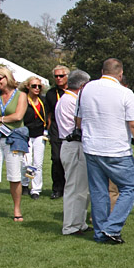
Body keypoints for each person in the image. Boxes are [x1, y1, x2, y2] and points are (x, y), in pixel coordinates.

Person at [76, 58, 134, 243]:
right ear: (120, 73)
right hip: (116, 149)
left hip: (92, 147)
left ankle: (100, 232)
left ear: (102, 71)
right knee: (131, 187)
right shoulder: (125, 92)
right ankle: (112, 227)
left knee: (98, 189)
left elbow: (79, 119)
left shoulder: (87, 89)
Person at [56, 69, 91, 235]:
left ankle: (79, 221)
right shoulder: (71, 101)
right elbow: (79, 124)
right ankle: (71, 225)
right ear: (83, 85)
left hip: (72, 145)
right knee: (75, 187)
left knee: (81, 187)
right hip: (74, 145)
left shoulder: (67, 99)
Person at [0, 64, 29, 221]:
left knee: (14, 175)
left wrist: (1, 119)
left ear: (7, 78)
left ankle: (17, 209)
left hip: (13, 138)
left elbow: (18, 116)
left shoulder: (21, 95)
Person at [20, 76, 48, 199]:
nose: (37, 88)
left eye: (39, 86)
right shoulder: (23, 100)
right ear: (28, 87)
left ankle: (36, 189)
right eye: (34, 86)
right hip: (26, 134)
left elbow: (49, 116)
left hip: (40, 134)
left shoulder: (43, 100)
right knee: (27, 162)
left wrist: (47, 131)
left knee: (38, 163)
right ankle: (25, 184)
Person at [45, 65, 69, 198]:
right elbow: (49, 113)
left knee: (70, 159)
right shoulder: (51, 93)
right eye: (56, 76)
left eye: (61, 76)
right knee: (56, 158)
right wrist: (48, 128)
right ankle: (57, 188)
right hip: (55, 126)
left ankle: (70, 187)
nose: (58, 78)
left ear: (67, 77)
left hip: (70, 126)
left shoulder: (73, 91)